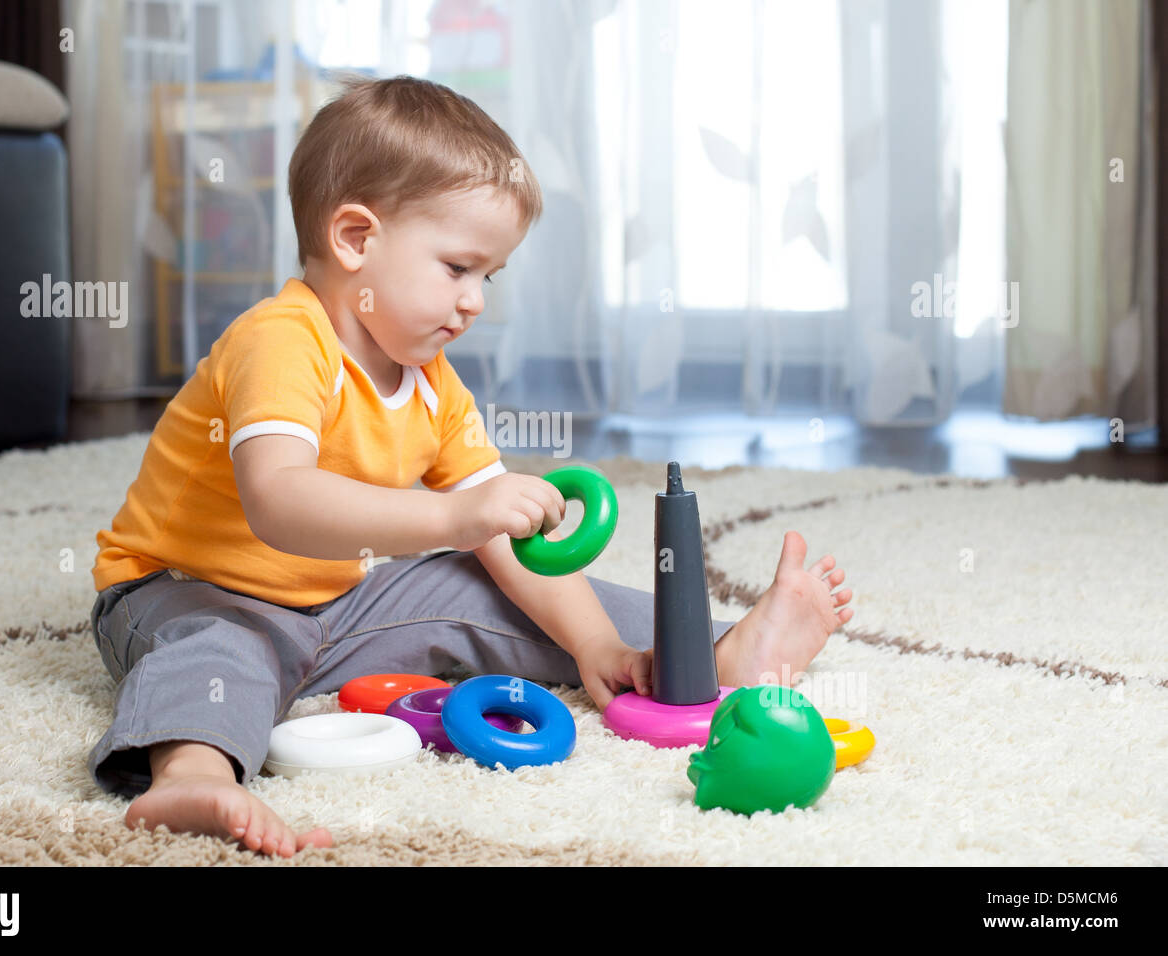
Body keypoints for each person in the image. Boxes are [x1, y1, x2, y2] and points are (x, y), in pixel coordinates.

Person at [88, 74, 854, 858]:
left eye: (489, 276)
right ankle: (194, 773)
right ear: (356, 239)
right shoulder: (281, 342)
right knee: (224, 649)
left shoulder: (431, 382)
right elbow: (278, 501)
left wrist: (590, 642)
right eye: (457, 268)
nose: (477, 300)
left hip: (333, 604)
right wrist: (455, 515)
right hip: (186, 589)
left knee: (487, 580)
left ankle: (708, 656)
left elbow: (497, 538)